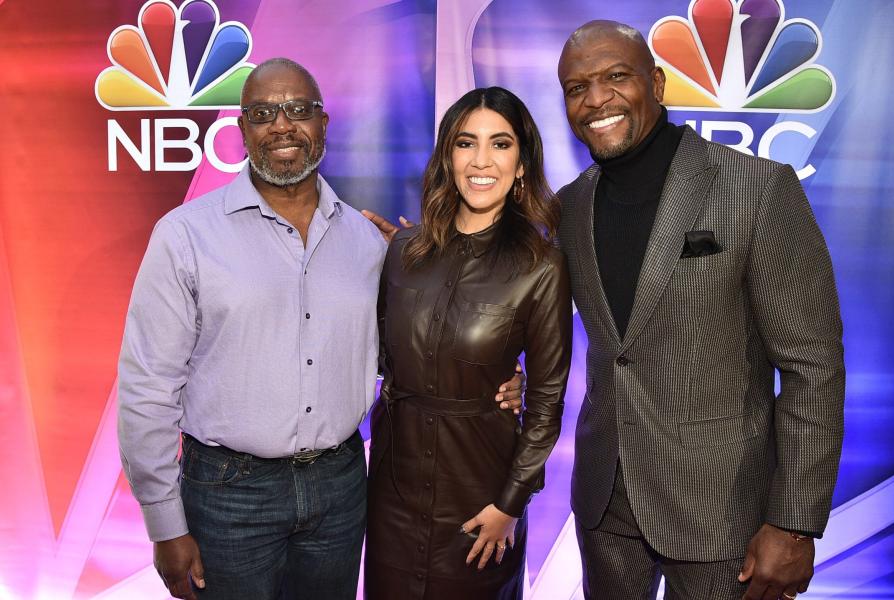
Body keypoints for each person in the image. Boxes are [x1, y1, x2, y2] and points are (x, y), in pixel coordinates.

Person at [116, 58, 526, 600]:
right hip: (228, 493)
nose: (282, 126)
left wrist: (492, 375)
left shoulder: (367, 242)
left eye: (298, 110)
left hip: (340, 487)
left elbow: (405, 351)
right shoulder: (185, 236)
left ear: (323, 124)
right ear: (241, 131)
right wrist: (165, 523)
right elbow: (147, 388)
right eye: (263, 113)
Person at [556, 21, 845, 600]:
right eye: (576, 87)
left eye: (616, 77)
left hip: (724, 510)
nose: (596, 100)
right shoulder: (569, 205)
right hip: (605, 503)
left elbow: (813, 363)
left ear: (657, 84)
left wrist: (793, 522)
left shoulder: (757, 187)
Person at [364, 86, 572, 600]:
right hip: (392, 492)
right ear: (447, 157)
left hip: (481, 498)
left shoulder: (541, 267)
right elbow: (374, 353)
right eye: (465, 143)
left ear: (522, 163)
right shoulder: (403, 253)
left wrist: (509, 505)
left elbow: (547, 404)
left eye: (500, 145)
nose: (482, 161)